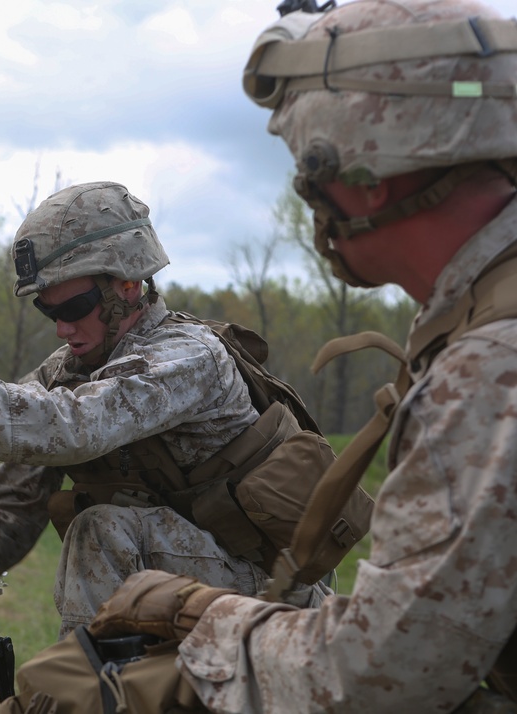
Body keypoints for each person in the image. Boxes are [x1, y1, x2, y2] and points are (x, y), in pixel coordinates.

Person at [83, 0, 517, 711]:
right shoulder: (480, 316)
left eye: (308, 170)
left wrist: (199, 613)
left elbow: (378, 674)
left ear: (367, 173)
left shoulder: (489, 368)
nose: (306, 198)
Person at [0, 180, 334, 640]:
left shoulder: (189, 356)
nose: (62, 329)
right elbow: (18, 496)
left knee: (100, 530)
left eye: (72, 309)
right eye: (48, 312)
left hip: (268, 590)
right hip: (184, 581)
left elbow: (71, 427)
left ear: (129, 286)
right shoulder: (72, 369)